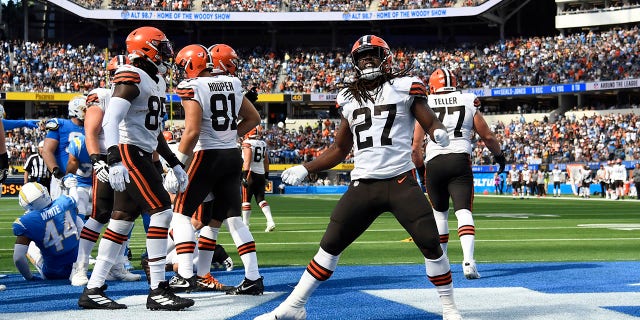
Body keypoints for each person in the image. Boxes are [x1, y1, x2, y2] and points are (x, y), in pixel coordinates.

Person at [256, 35, 462, 320]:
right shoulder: (348, 97)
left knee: (431, 244)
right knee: (329, 246)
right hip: (364, 184)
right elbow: (340, 148)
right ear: (355, 63)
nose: (367, 59)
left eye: (373, 54)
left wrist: (437, 131)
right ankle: (294, 306)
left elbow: (429, 120)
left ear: (385, 58)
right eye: (362, 56)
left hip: (400, 181)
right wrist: (307, 167)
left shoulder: (404, 87)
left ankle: (450, 310)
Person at [78, 26, 193, 311]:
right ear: (146, 48)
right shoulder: (132, 76)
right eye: (161, 46)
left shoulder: (156, 81)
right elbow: (110, 120)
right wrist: (114, 158)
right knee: (162, 212)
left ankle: (93, 289)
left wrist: (174, 162)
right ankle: (158, 288)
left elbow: (153, 132)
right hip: (130, 153)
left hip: (142, 151)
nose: (167, 52)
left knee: (120, 222)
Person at [166, 44, 263, 295]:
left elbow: (192, 131)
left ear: (189, 64)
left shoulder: (193, 86)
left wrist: (175, 164)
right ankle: (252, 278)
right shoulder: (233, 83)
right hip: (232, 155)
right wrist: (230, 137)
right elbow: (253, 119)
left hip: (206, 155)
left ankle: (186, 275)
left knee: (181, 213)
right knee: (231, 219)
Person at [412, 67, 505, 280]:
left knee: (439, 215)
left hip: (434, 162)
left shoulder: (426, 103)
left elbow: (415, 148)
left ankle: (442, 263)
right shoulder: (467, 99)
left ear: (433, 86)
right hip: (460, 160)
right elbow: (488, 137)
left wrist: (421, 171)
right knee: (464, 212)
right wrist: (500, 156)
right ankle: (469, 262)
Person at [69, 55, 140, 287]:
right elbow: (91, 132)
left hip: (130, 160)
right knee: (99, 215)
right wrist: (97, 160)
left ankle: (115, 265)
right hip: (108, 161)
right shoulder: (102, 95)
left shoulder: (138, 93)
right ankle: (79, 267)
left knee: (124, 216)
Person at [12, 180, 83, 281]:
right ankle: (84, 258)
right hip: (77, 265)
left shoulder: (27, 221)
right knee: (78, 219)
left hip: (54, 273)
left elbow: (18, 258)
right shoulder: (64, 202)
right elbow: (75, 202)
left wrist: (30, 278)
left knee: (28, 245)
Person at [41, 95, 86, 200]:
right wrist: (57, 172)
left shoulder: (92, 126)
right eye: (84, 109)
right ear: (76, 110)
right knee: (61, 213)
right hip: (63, 179)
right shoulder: (60, 124)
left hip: (86, 180)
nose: (87, 112)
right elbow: (47, 151)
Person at [241, 127, 276, 232]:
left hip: (250, 174)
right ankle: (270, 221)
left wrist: (244, 176)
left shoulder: (247, 143)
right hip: (261, 174)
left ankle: (245, 225)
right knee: (261, 200)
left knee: (246, 201)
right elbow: (266, 162)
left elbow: (247, 161)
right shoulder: (262, 143)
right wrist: (266, 177)